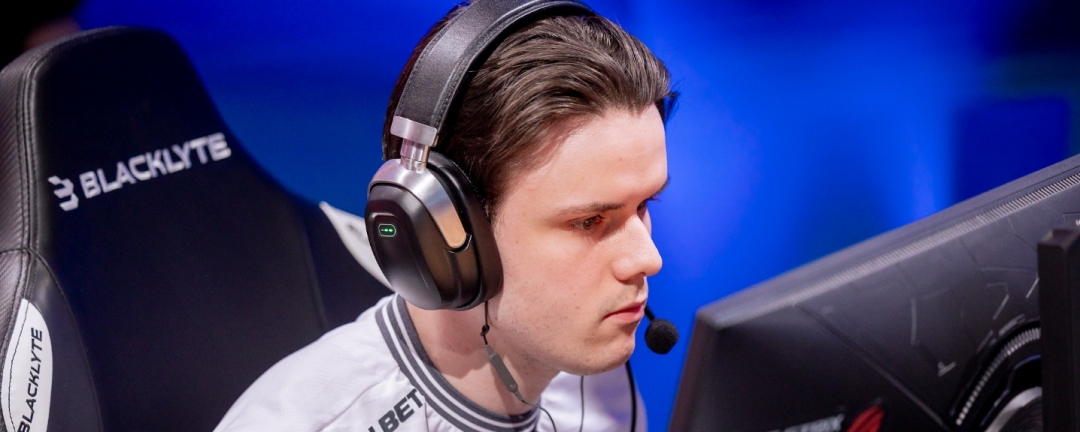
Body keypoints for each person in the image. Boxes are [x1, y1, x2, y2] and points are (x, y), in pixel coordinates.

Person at [214, 1, 674, 431]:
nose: (648, 259)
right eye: (589, 221)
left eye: (644, 205)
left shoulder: (596, 381)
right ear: (445, 230)